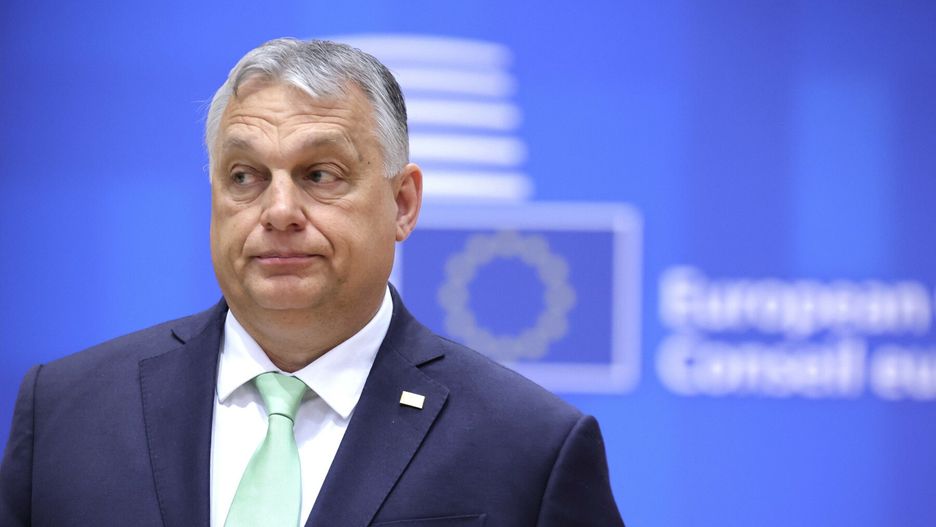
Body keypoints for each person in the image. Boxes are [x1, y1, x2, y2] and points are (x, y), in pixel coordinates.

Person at [0, 38, 624, 527]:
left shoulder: (528, 447)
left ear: (403, 203)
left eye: (320, 174)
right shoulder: (65, 411)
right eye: (244, 176)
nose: (278, 211)